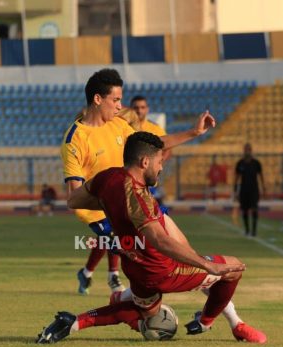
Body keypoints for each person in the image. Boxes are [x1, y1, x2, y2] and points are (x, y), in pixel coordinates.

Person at [38, 132, 266, 344]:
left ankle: (73, 323)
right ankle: (206, 322)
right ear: (144, 162)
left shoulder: (108, 178)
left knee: (147, 315)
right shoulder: (137, 197)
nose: (161, 167)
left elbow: (74, 200)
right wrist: (208, 265)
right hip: (164, 270)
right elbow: (160, 240)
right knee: (233, 268)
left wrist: (110, 203)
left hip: (135, 268)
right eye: (160, 162)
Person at [61, 68, 215, 295]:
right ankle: (121, 300)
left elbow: (152, 144)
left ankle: (222, 309)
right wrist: (113, 199)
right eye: (115, 100)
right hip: (105, 217)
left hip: (137, 201)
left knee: (182, 246)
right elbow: (74, 199)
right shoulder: (75, 140)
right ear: (97, 99)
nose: (119, 106)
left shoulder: (118, 125)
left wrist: (194, 132)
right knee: (154, 259)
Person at [234, 143, 265, 237]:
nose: (247, 151)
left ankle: (254, 231)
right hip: (243, 190)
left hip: (254, 190)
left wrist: (264, 188)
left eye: (249, 149)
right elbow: (237, 177)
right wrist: (235, 190)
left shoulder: (256, 163)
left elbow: (261, 176)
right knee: (245, 210)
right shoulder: (240, 163)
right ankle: (247, 230)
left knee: (254, 209)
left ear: (251, 150)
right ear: (244, 150)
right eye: (246, 149)